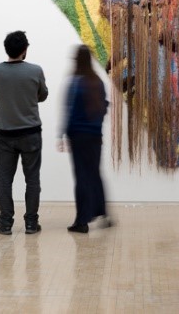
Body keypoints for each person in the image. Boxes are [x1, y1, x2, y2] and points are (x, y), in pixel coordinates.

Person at [0, 31, 48, 235]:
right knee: (32, 179)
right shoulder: (35, 71)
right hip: (30, 132)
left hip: (4, 133)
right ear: (25, 50)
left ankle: (5, 223)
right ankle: (31, 223)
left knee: (5, 179)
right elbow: (42, 95)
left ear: (6, 49)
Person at [59, 45, 112, 233]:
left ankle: (82, 221)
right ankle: (102, 213)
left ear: (77, 61)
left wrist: (62, 134)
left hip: (78, 136)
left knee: (82, 176)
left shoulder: (74, 82)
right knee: (95, 173)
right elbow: (104, 106)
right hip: (95, 135)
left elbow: (69, 110)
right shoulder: (97, 81)